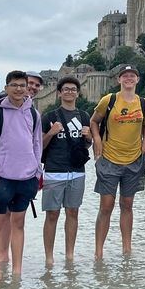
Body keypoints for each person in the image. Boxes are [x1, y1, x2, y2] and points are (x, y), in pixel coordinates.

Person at [0, 70, 42, 279]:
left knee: (19, 225)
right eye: (14, 85)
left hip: (27, 179)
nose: (19, 89)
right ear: (6, 88)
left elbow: (37, 145)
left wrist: (37, 171)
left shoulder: (34, 114)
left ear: (27, 88)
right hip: (3, 179)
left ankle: (17, 272)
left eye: (22, 85)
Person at [90, 64, 145, 258]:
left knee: (127, 205)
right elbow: (94, 121)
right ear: (118, 80)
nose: (128, 78)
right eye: (125, 76)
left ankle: (127, 249)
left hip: (134, 160)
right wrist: (97, 140)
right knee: (106, 206)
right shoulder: (108, 100)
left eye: (132, 76)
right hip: (109, 159)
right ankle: (98, 252)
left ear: (137, 80)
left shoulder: (144, 103)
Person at [40, 76, 92, 266]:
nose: (69, 92)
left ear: (78, 93)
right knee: (52, 214)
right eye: (66, 89)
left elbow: (85, 147)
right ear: (59, 92)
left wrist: (88, 139)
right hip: (54, 171)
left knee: (73, 213)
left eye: (73, 89)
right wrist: (51, 133)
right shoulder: (50, 116)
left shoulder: (84, 116)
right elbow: (40, 146)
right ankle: (49, 257)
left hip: (77, 172)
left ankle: (70, 255)